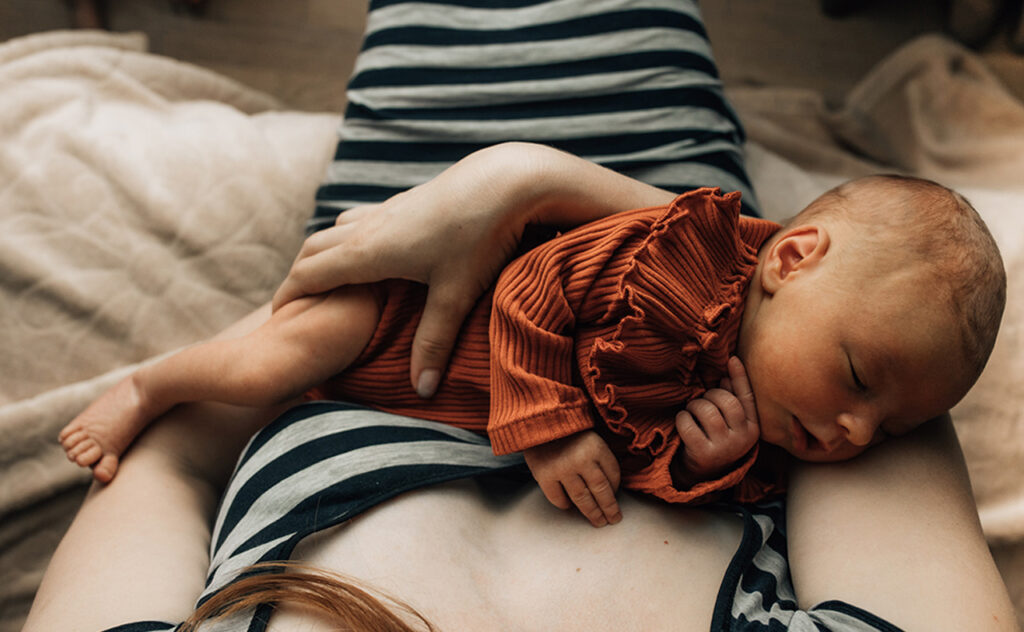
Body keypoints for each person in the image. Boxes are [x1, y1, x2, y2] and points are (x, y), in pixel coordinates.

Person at [23, 0, 1018, 630]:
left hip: (397, 316)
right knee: (637, 33)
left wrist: (485, 200)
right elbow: (887, 363)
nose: (855, 429)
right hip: (688, 291)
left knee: (437, 22)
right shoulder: (818, 340)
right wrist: (538, 185)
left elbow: (161, 453)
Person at [58, 164, 1005, 527]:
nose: (850, 430)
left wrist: (707, 464)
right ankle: (149, 386)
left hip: (416, 401)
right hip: (406, 313)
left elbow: (643, 462)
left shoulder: (766, 423)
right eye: (857, 378)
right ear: (791, 258)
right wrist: (549, 427)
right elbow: (527, 287)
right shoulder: (680, 253)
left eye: (886, 430)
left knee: (281, 400)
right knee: (261, 366)